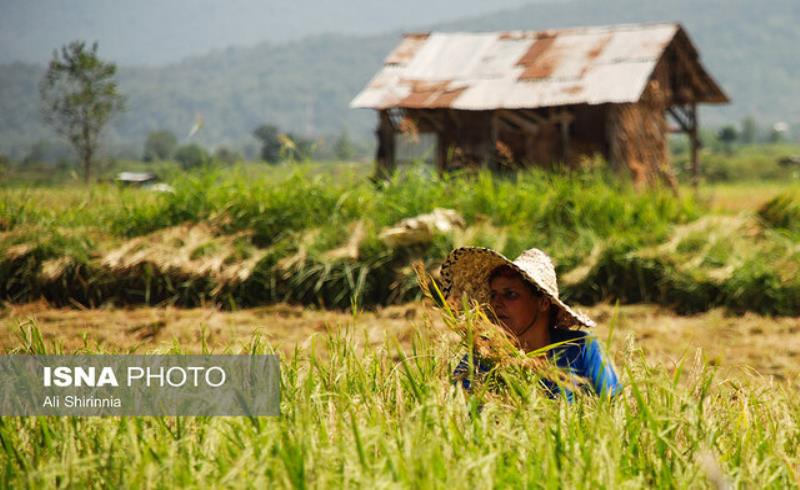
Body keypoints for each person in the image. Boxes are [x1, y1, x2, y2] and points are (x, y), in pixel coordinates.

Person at [439, 246, 621, 400]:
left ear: (542, 302)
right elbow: (455, 413)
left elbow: (613, 408)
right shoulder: (483, 358)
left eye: (510, 294)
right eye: (493, 295)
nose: (496, 303)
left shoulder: (581, 349)